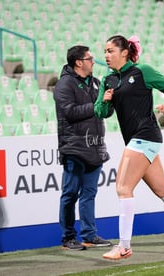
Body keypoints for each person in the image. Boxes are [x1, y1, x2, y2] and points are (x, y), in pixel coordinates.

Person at [94, 35, 164, 260]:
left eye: (110, 51)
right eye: (105, 51)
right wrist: (105, 101)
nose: (106, 55)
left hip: (145, 135)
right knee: (162, 190)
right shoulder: (108, 80)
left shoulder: (142, 71)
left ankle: (124, 246)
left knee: (123, 188)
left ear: (124, 52)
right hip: (137, 139)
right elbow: (100, 112)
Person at [53, 45, 113, 250]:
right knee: (70, 193)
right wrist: (98, 103)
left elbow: (104, 113)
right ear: (79, 62)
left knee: (89, 193)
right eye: (90, 58)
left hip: (95, 147)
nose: (93, 61)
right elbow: (70, 112)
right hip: (74, 147)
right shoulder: (64, 84)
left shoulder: (96, 83)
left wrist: (111, 101)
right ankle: (68, 237)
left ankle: (89, 235)